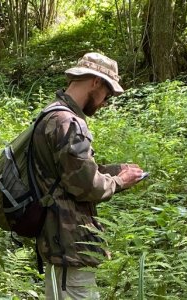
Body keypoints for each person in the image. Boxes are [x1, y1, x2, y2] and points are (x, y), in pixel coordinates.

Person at [31, 52, 146, 299]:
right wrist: (119, 181)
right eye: (107, 93)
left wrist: (114, 170)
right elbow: (86, 186)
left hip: (60, 244)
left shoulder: (51, 113)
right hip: (69, 246)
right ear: (95, 82)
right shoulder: (68, 122)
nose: (105, 101)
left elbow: (66, 174)